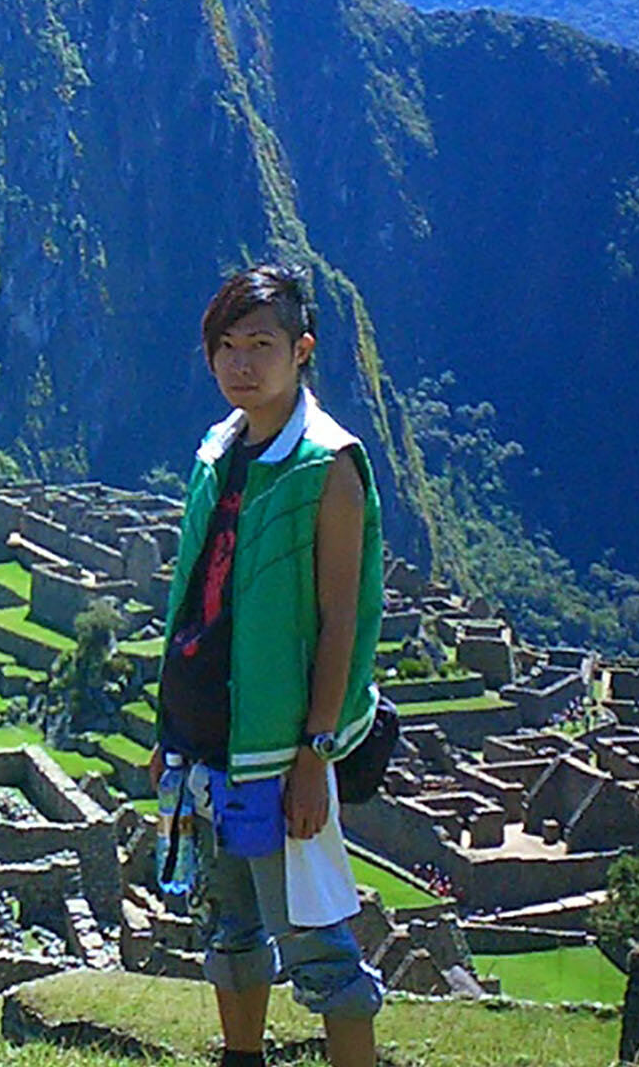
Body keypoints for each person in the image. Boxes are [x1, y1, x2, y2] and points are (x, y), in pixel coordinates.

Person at [153, 264, 385, 1067]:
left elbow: (341, 622)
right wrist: (169, 732)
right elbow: (194, 599)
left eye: (260, 344)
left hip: (277, 749)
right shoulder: (221, 449)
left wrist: (315, 754)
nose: (241, 363)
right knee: (228, 923)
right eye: (226, 346)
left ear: (302, 350)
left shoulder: (329, 467)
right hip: (206, 744)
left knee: (317, 939)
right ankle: (240, 1058)